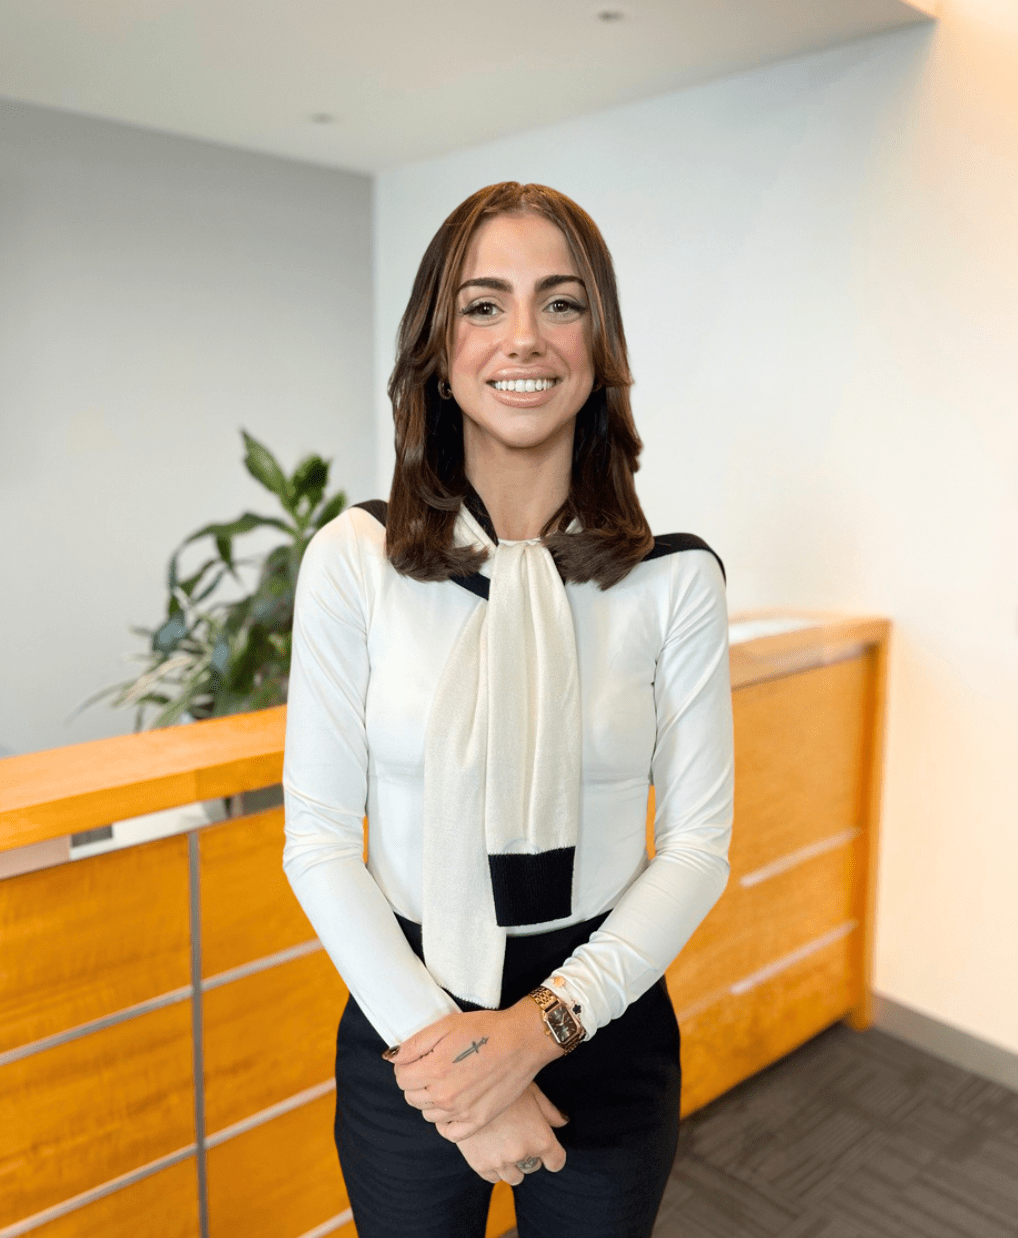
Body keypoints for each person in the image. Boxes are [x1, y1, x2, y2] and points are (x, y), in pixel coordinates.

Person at [281, 181, 734, 1238]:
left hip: (604, 1013)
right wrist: (456, 1071)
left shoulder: (673, 581)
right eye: (483, 305)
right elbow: (313, 838)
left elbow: (701, 842)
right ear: (438, 348)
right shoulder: (356, 558)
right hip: (408, 1015)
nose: (522, 336)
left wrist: (540, 1029)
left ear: (599, 339)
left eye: (560, 303)